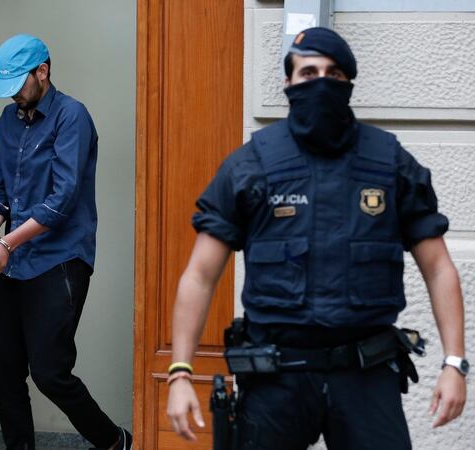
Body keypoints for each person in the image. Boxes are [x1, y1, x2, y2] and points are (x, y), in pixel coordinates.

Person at [166, 27, 467, 449]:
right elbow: (200, 275)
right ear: (288, 83)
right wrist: (181, 372)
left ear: (348, 84)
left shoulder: (390, 163)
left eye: (334, 73)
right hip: (276, 378)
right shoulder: (252, 165)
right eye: (308, 72)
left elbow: (438, 269)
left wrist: (455, 363)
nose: (322, 81)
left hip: (366, 377)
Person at [0, 34, 131, 450]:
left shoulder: (73, 116)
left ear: (43, 71)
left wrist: (6, 245)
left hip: (61, 259)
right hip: (16, 258)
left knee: (50, 372)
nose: (16, 96)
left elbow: (62, 200)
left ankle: (116, 442)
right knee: (1, 373)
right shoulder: (8, 120)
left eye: (21, 84)